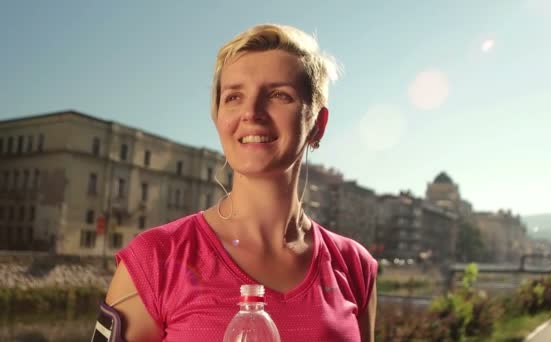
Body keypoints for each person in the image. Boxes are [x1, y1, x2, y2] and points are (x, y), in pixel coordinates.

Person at [100, 23, 377, 342]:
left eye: (278, 95)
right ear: (218, 117)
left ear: (317, 124)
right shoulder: (154, 259)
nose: (251, 112)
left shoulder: (356, 266)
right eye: (234, 97)